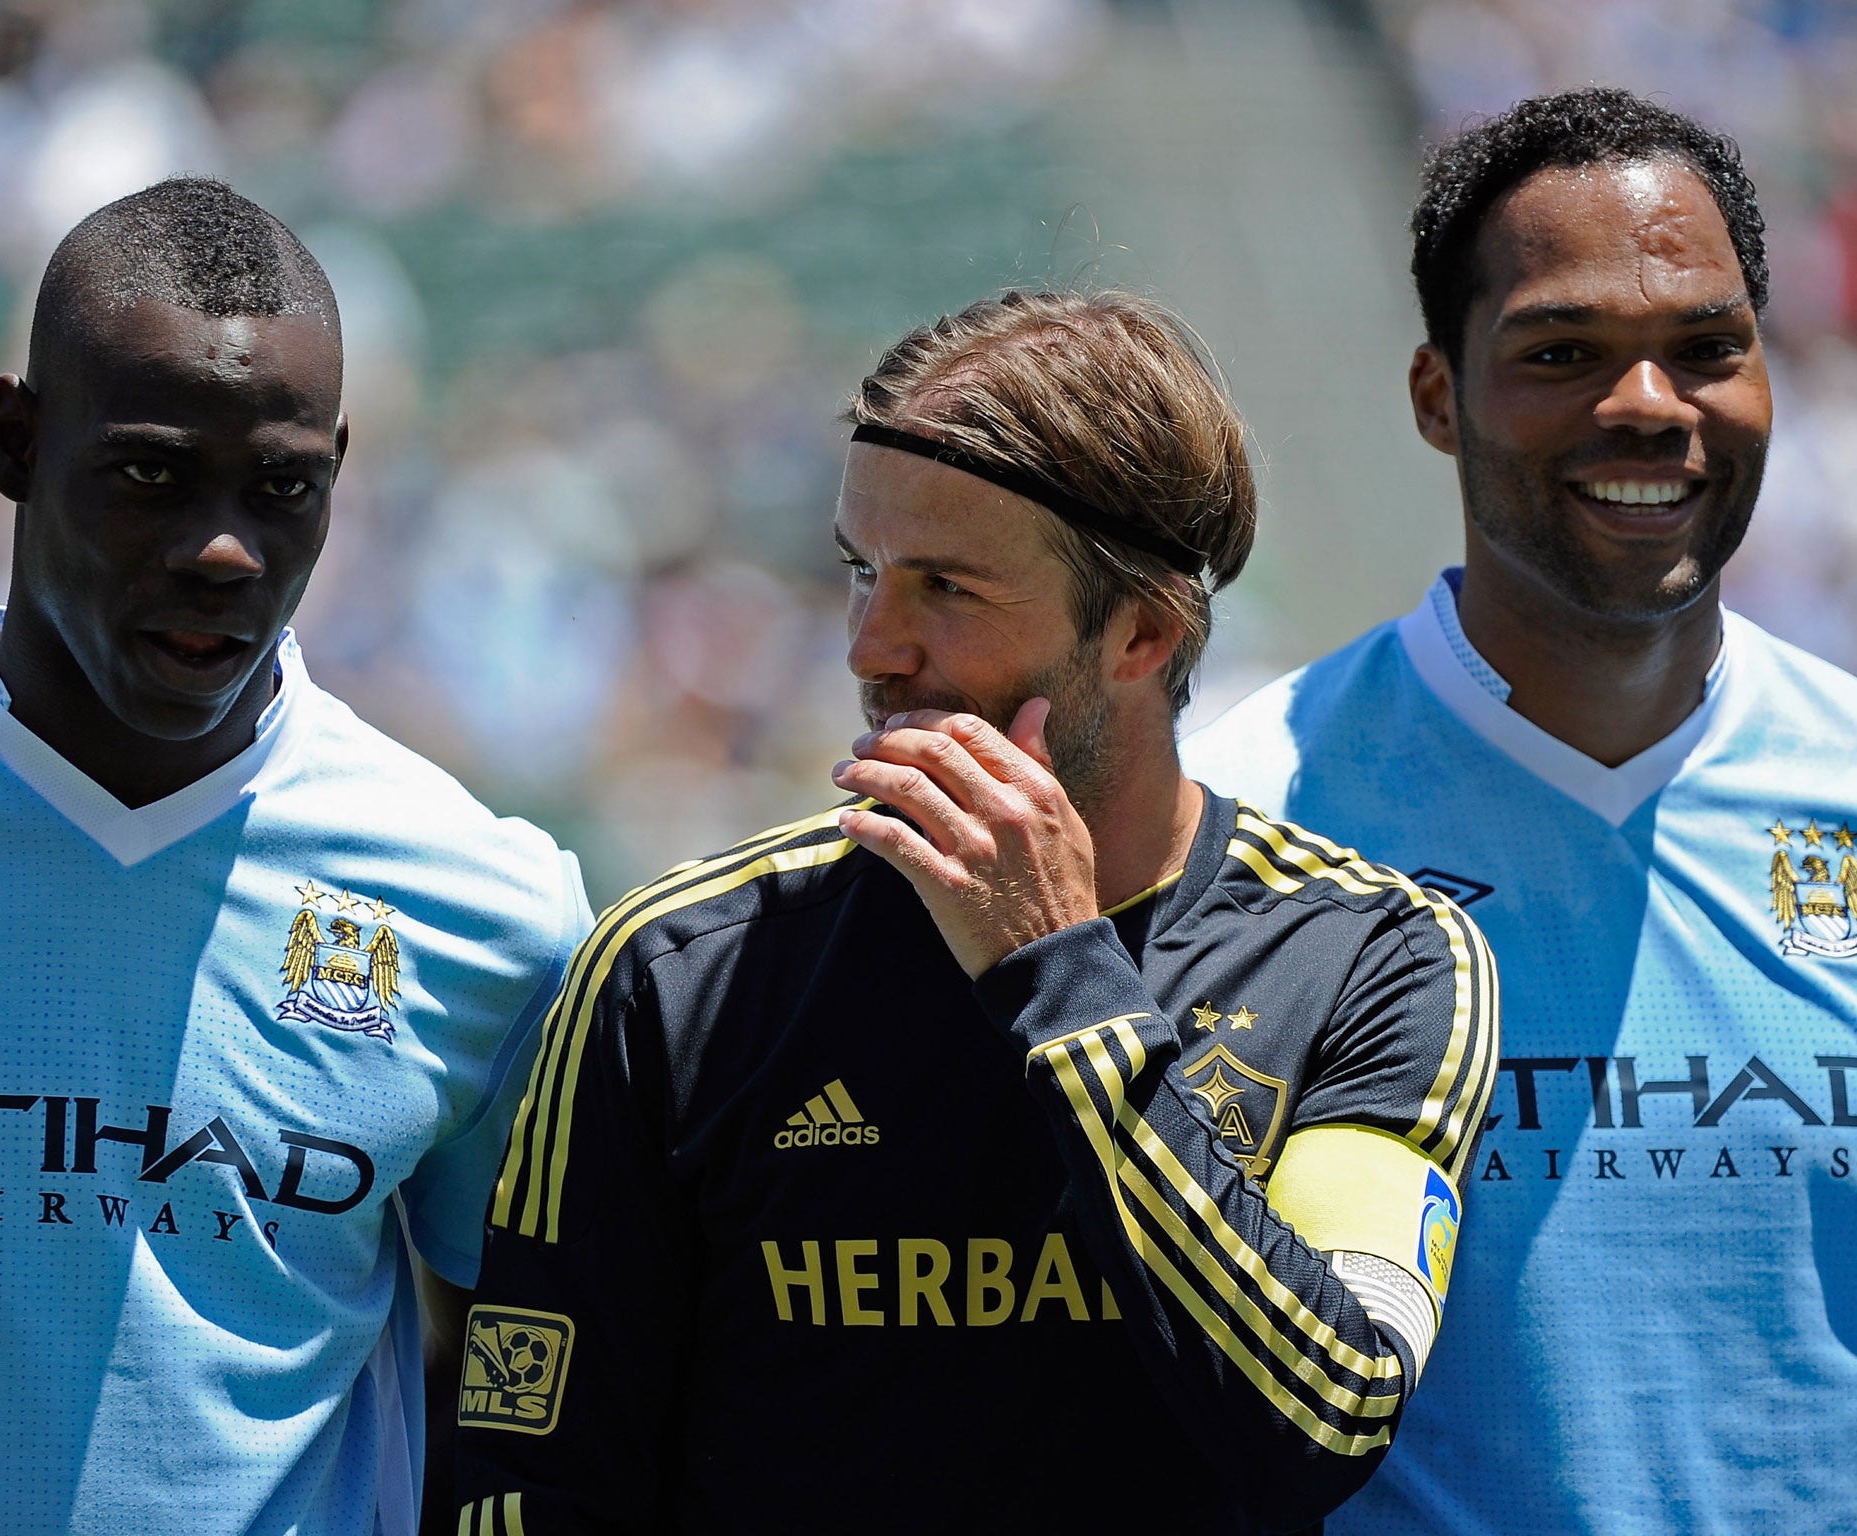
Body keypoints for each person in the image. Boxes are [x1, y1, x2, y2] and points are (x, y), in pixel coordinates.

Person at [454, 289, 1498, 1534]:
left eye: (944, 587)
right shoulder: (677, 971)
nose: (870, 646)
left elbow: (1323, 1418)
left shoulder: (1370, 958)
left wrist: (1064, 977)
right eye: (860, 571)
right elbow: (531, 1484)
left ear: (1140, 634)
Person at [1182, 87, 1857, 1534]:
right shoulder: (1246, 823)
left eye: (1706, 347)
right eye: (1563, 352)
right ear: (1434, 395)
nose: (1647, 403)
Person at [0, 179, 591, 1535]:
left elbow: (538, 1383)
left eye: (283, 489)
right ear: (15, 441)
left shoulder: (487, 911)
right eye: (151, 473)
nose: (224, 549)